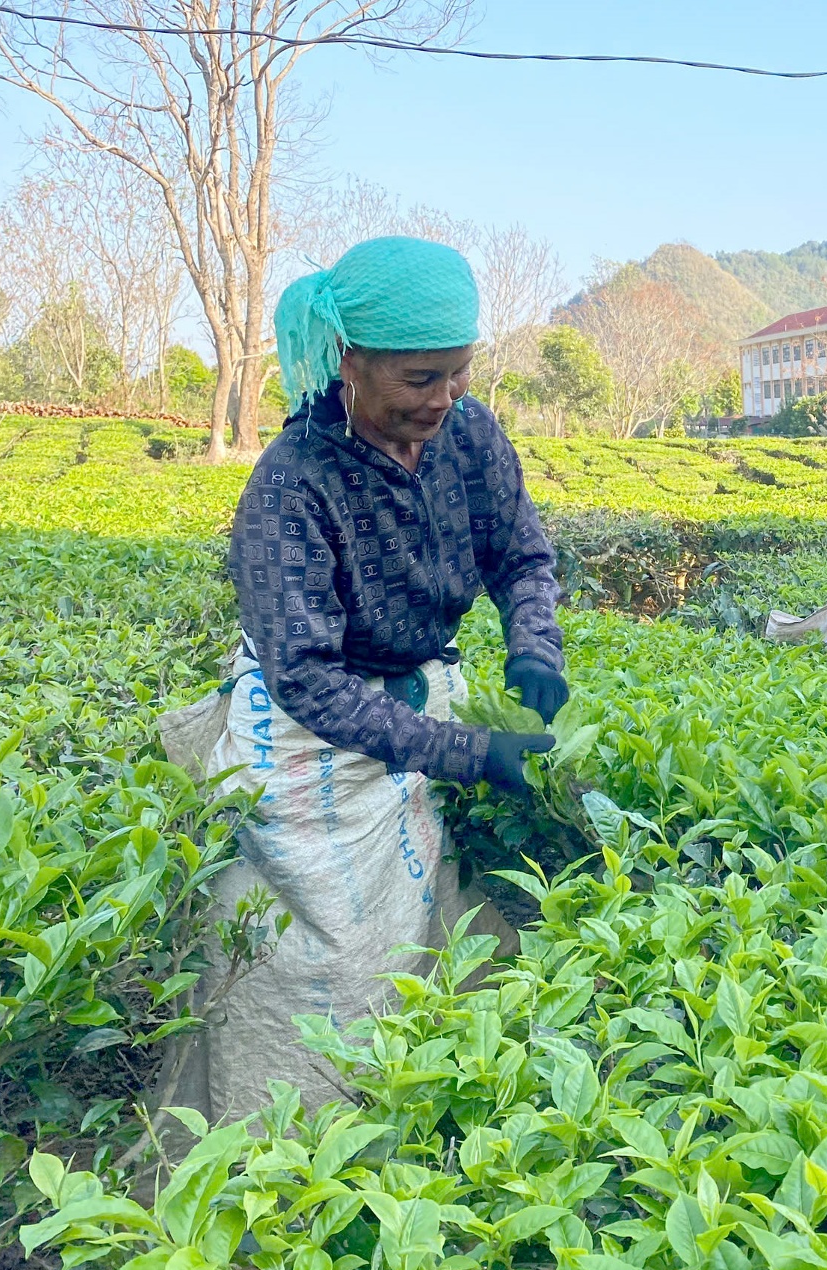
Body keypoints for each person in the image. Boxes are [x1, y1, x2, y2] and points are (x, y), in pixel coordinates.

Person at [202, 236, 567, 1116]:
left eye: (460, 372)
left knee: (417, 934)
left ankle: (397, 1119)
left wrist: (534, 648)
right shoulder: (292, 485)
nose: (446, 398)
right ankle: (278, 1141)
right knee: (316, 957)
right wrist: (465, 752)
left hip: (421, 702)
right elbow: (309, 679)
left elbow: (522, 556)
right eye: (420, 380)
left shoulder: (471, 435)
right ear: (349, 365)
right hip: (310, 738)